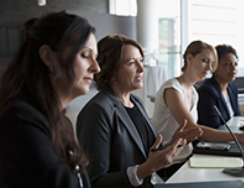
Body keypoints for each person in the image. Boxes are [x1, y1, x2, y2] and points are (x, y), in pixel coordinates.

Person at [76, 34, 201, 188]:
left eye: (141, 61)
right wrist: (145, 170)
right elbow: (95, 183)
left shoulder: (135, 102)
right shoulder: (97, 111)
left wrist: (172, 144)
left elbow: (146, 154)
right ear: (111, 70)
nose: (142, 69)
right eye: (131, 63)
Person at [0, 12, 100, 188]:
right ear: (48, 56)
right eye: (85, 55)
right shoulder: (20, 120)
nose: (96, 68)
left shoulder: (62, 122)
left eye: (96, 58)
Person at [152, 41, 244, 178]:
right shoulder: (173, 89)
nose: (209, 68)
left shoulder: (194, 92)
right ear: (189, 58)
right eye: (204, 61)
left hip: (188, 159)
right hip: (169, 164)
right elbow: (194, 129)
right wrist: (239, 138)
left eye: (212, 64)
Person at [197, 44, 241, 129]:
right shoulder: (206, 92)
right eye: (227, 64)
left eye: (235, 64)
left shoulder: (232, 88)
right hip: (214, 140)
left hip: (232, 138)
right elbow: (213, 127)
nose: (233, 69)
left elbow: (238, 119)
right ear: (214, 66)